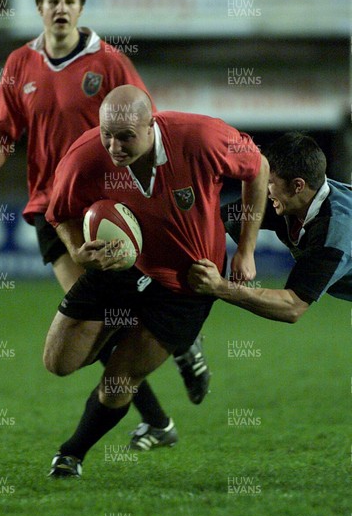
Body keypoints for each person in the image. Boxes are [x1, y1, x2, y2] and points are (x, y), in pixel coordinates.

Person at [0, 0, 210, 451]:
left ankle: (168, 375)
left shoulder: (110, 62)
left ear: (81, 7)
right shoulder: (19, 64)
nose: (61, 7)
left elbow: (146, 122)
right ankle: (171, 377)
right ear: (39, 7)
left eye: (69, 0)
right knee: (93, 317)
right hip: (50, 208)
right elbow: (3, 130)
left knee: (101, 315)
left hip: (106, 204)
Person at [44, 84, 269, 477]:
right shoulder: (85, 155)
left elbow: (259, 167)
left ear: (152, 126)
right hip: (119, 268)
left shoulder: (200, 138)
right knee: (58, 363)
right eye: (107, 134)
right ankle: (176, 344)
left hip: (188, 282)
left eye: (126, 136)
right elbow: (59, 212)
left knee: (120, 379)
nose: (113, 146)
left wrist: (246, 249)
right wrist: (80, 250)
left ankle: (72, 454)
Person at [189, 132, 352, 318]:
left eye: (270, 183)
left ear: (298, 185)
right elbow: (216, 218)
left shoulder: (335, 232)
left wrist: (219, 286)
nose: (264, 190)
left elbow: (292, 306)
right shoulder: (289, 199)